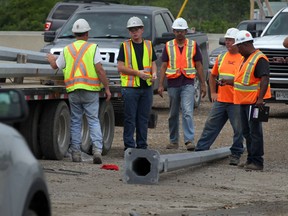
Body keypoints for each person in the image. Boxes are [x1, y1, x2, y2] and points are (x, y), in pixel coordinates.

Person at [47, 18, 111, 164]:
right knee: (93, 120)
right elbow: (100, 70)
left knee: (76, 121)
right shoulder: (93, 48)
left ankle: (76, 152)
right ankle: (97, 150)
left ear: (74, 33)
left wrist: (51, 58)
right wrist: (106, 87)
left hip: (73, 90)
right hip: (90, 90)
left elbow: (55, 66)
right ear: (87, 33)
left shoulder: (67, 49)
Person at [222, 30, 271, 171]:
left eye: (238, 46)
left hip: (254, 102)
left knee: (255, 132)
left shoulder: (259, 58)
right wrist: (228, 82)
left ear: (244, 44)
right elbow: (243, 81)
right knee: (247, 132)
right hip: (243, 101)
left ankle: (257, 161)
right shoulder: (245, 59)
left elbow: (264, 78)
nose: (237, 49)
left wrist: (260, 99)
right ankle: (250, 159)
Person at [195, 28, 244, 166]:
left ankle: (236, 153)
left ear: (237, 42)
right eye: (227, 40)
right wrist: (214, 93)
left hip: (236, 101)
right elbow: (212, 75)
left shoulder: (243, 58)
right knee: (210, 126)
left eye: (231, 40)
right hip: (221, 100)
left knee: (238, 130)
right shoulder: (222, 57)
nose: (228, 43)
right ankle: (201, 151)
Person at [158, 17, 206, 151]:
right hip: (173, 83)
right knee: (173, 113)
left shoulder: (193, 45)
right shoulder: (168, 46)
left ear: (186, 31)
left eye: (182, 31)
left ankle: (189, 140)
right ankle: (173, 141)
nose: (179, 33)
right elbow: (163, 66)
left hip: (188, 82)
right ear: (173, 31)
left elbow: (199, 65)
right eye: (177, 31)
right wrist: (160, 84)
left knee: (187, 111)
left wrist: (203, 84)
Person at [117, 16, 157, 151]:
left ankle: (142, 146)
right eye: (132, 30)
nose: (134, 32)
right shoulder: (125, 46)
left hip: (146, 87)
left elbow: (153, 62)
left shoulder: (149, 45)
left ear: (142, 30)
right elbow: (120, 67)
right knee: (130, 118)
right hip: (130, 88)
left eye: (137, 29)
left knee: (143, 119)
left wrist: (155, 73)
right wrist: (137, 73)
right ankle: (129, 146)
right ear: (129, 32)